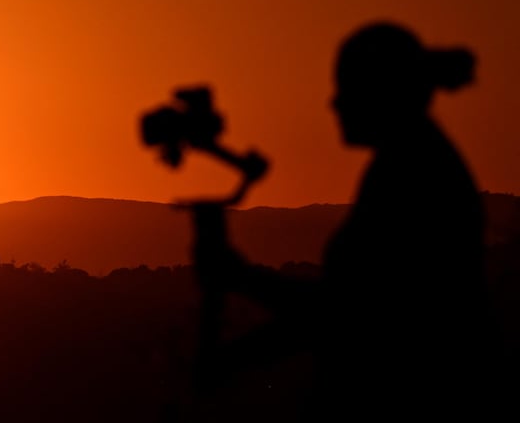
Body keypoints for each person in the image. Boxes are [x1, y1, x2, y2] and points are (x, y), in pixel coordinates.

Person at [195, 21, 492, 421]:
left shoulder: (412, 174)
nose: (333, 104)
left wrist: (241, 282)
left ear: (378, 91)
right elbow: (348, 312)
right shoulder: (410, 163)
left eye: (345, 89)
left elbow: (354, 315)